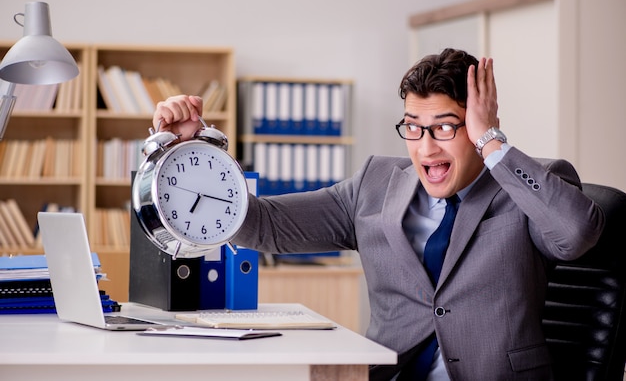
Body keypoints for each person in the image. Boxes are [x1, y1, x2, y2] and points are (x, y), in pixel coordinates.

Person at [152, 48, 605, 380]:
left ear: (474, 126)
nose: (426, 147)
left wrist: (492, 143)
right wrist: (192, 151)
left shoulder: (530, 185)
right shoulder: (375, 183)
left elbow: (577, 232)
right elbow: (263, 225)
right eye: (412, 126)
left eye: (446, 127)